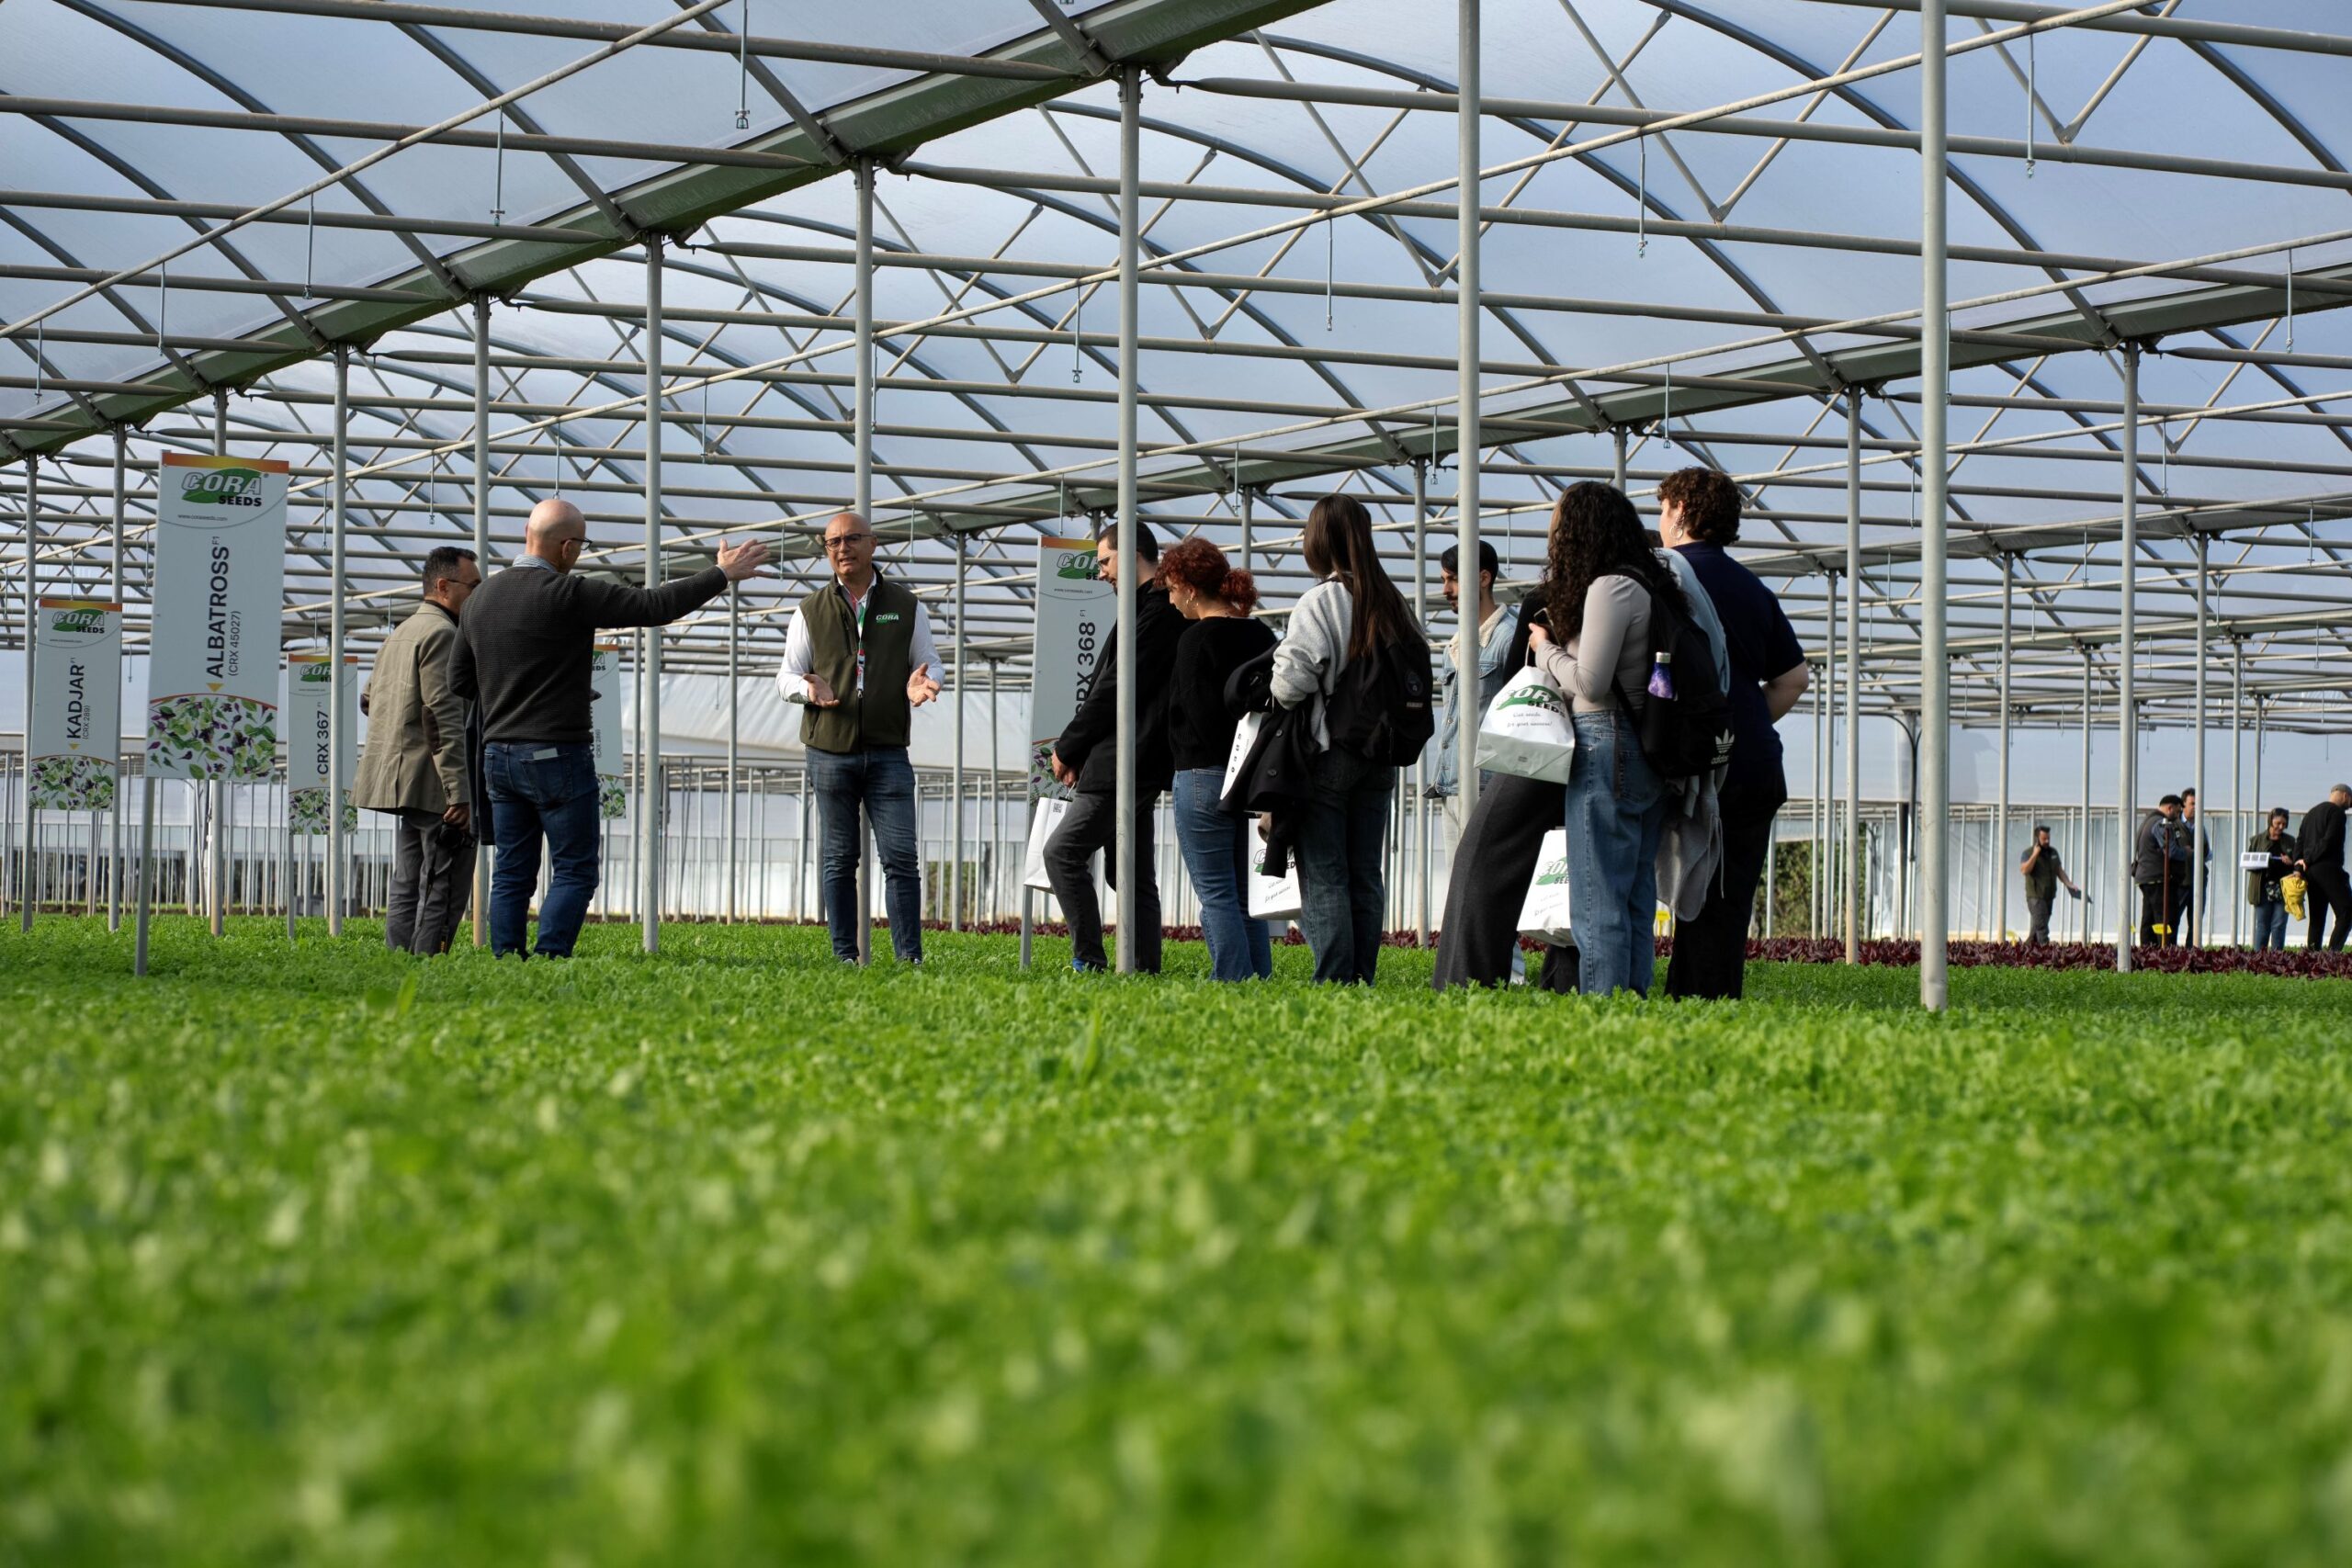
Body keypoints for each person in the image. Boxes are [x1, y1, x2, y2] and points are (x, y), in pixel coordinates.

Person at [450, 498, 768, 958]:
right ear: (566, 547)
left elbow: (459, 680)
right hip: (557, 753)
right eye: (579, 544)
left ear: (526, 532)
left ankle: (506, 962)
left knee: (512, 871)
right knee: (576, 868)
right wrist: (721, 574)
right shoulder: (569, 593)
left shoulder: (479, 599)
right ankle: (549, 957)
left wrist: (512, 690)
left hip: (498, 754)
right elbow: (655, 606)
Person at [1527, 481, 1691, 998]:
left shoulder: (1610, 588)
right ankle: (1632, 1006)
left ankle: (1602, 1012)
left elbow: (1592, 683)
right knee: (1634, 898)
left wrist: (1546, 648)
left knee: (1597, 898)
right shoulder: (1648, 583)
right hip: (1643, 750)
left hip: (1605, 741)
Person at [1654, 467, 1807, 999]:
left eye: (1663, 509)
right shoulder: (1754, 588)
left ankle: (1677, 1000)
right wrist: (1740, 719)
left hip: (1681, 761)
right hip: (1751, 765)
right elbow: (1793, 678)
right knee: (1725, 899)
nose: (1660, 520)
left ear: (1679, 512)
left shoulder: (1663, 576)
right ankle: (1709, 1003)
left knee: (1644, 884)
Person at [1271, 494, 1425, 985]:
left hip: (1330, 754)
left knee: (1325, 874)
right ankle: (1362, 977)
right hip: (1380, 757)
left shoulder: (1322, 600)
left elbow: (1290, 683)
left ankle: (1334, 982)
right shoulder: (1392, 602)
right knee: (1364, 873)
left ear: (1319, 541)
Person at [776, 511, 942, 966]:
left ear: (873, 544)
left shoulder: (906, 606)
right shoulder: (809, 611)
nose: (842, 548)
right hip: (829, 751)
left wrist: (923, 683)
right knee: (838, 859)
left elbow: (928, 661)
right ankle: (845, 956)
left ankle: (910, 958)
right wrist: (806, 689)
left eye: (852, 539)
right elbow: (786, 676)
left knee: (901, 859)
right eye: (833, 543)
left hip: (888, 750)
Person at [1045, 521, 1182, 973]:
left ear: (1130, 553)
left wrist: (1068, 747)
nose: (1100, 573)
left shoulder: (1158, 610)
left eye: (1105, 561)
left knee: (1061, 852)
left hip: (1126, 759)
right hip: (1130, 757)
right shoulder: (1145, 607)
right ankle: (1143, 966)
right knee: (1131, 872)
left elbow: (1116, 688)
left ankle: (1090, 958)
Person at [353, 545, 481, 954]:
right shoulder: (443, 634)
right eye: (473, 586)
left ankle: (398, 960)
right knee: (443, 879)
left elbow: (368, 699)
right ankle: (428, 963)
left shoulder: (400, 633)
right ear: (443, 586)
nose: (477, 596)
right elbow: (442, 716)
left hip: (397, 778)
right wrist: (459, 792)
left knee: (409, 878)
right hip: (431, 782)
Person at [1159, 537, 1278, 982]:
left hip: (1202, 774)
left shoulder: (1194, 641)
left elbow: (1193, 713)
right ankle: (1256, 977)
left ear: (1190, 588)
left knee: (1215, 891)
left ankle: (1230, 978)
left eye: (1172, 589)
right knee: (1244, 891)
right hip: (1250, 777)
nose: (1171, 600)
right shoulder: (1261, 634)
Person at [1425, 539, 1519, 834]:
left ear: (1483, 578)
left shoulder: (1507, 638)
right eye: (1444, 580)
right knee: (1457, 880)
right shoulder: (1453, 647)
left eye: (1453, 579)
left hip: (1487, 785)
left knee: (1480, 879)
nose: (1446, 589)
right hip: (1451, 784)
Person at [2297, 784, 2352, 952]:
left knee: (2317, 918)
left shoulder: (2311, 813)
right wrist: (2310, 858)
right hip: (2328, 868)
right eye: (2351, 800)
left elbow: (2299, 841)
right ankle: (2332, 955)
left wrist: (2300, 866)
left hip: (2310, 872)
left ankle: (2312, 957)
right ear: (2344, 795)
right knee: (2347, 912)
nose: (2350, 805)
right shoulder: (2337, 813)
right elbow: (2329, 841)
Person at [2132, 794, 2186, 948]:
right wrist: (2186, 852)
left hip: (2145, 878)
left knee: (2148, 919)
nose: (2177, 816)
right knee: (2165, 919)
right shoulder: (2160, 824)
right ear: (2169, 808)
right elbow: (2171, 850)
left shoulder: (2147, 821)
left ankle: (2147, 952)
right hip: (2158, 879)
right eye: (2177, 812)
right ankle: (2165, 954)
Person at [2017, 824, 2081, 946]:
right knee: (2042, 928)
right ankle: (2046, 953)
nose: (2047, 841)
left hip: (2049, 896)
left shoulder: (2053, 852)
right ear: (2037, 839)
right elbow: (2024, 870)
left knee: (2037, 928)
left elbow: (2059, 871)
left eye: (2048, 839)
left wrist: (2070, 884)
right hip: (2035, 897)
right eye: (2044, 839)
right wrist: (2035, 854)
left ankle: (2026, 950)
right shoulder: (2028, 853)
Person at [2245, 807, 2299, 952]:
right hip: (2262, 888)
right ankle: (2259, 958)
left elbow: (2297, 864)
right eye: (2277, 823)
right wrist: (2262, 861)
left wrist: (2291, 862)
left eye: (2284, 824)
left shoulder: (2290, 841)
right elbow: (2248, 864)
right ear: (2270, 821)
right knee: (2262, 924)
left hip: (2283, 888)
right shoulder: (2258, 840)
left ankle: (2277, 958)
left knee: (2279, 924)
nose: (2280, 827)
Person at [2176, 786, 2211, 942]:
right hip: (2180, 881)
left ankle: (2191, 952)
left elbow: (2206, 852)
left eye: (2198, 804)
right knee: (2174, 918)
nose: (2196, 807)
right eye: (2193, 803)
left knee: (2195, 920)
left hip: (2198, 881)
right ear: (2183, 805)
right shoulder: (2174, 825)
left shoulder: (2200, 827)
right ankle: (2171, 952)